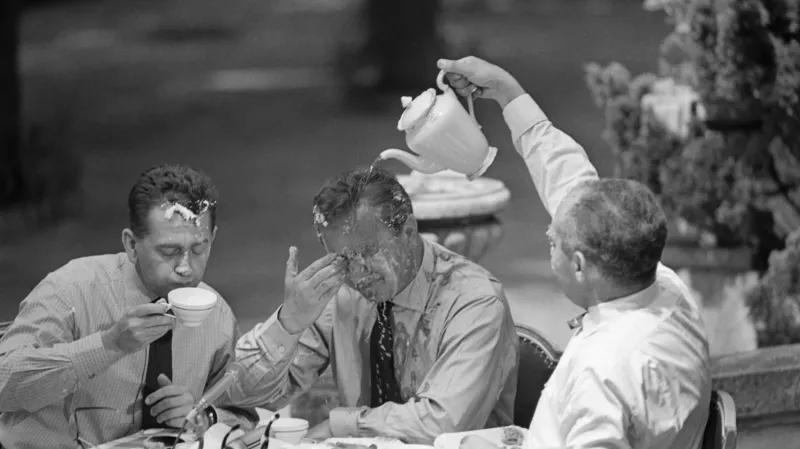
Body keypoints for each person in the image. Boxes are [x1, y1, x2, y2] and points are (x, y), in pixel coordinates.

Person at [437, 57, 711, 449]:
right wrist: (506, 91)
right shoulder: (665, 289)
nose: (549, 244)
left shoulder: (602, 370)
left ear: (579, 265)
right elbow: (573, 185)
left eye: (553, 242)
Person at [226, 167, 519, 444]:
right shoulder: (342, 292)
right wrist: (288, 323)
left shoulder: (475, 301)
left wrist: (342, 425)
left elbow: (442, 424)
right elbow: (243, 393)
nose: (357, 273)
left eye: (368, 251)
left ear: (409, 231)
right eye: (343, 258)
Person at [0, 164, 256, 448]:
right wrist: (108, 345)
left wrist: (205, 415)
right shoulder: (70, 289)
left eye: (198, 249)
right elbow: (3, 384)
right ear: (132, 245)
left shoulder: (217, 315)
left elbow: (242, 412)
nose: (185, 267)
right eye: (169, 251)